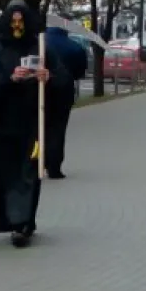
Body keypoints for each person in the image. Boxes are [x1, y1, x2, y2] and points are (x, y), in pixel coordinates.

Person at [0, 0, 63, 248]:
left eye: (21, 21)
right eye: (14, 21)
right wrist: (10, 78)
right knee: (7, 173)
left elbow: (63, 80)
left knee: (29, 171)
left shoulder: (40, 47)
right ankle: (11, 219)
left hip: (32, 121)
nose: (17, 26)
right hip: (1, 123)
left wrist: (47, 76)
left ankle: (23, 223)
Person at [42, 26, 83, 179]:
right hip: (64, 90)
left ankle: (35, 161)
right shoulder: (74, 47)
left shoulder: (40, 43)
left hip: (40, 89)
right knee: (58, 128)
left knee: (38, 125)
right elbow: (80, 72)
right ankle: (54, 166)